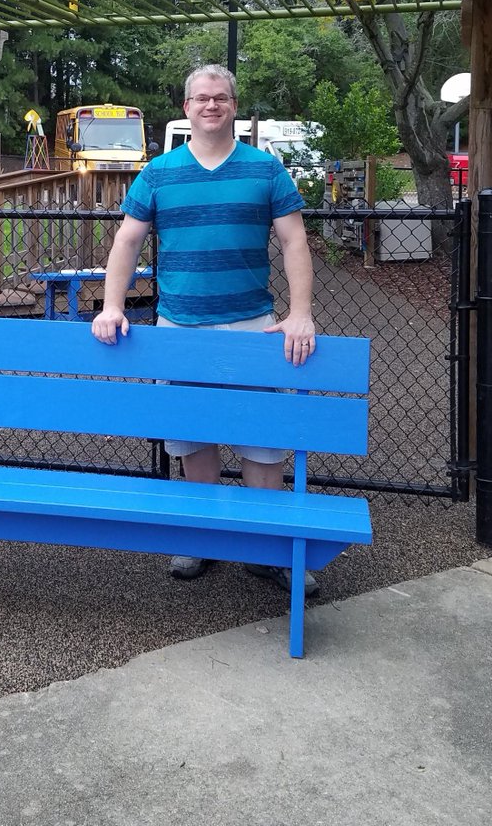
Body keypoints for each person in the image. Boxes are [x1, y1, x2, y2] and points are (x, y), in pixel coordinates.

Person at [91, 63, 319, 596]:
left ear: (233, 106)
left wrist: (300, 312)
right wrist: (112, 305)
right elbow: (127, 241)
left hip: (254, 328)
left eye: (220, 97)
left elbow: (294, 242)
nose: (210, 105)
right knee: (193, 439)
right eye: (200, 98)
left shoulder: (266, 170)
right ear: (186, 107)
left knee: (261, 443)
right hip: (180, 330)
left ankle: (267, 545)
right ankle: (204, 536)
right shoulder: (159, 173)